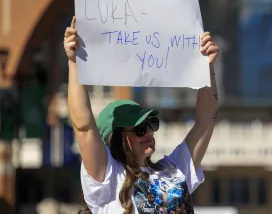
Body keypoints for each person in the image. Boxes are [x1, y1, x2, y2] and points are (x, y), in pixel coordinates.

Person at [64, 16, 219, 214]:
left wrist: (208, 69)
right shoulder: (108, 177)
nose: (148, 133)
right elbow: (84, 127)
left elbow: (205, 122)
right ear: (117, 137)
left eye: (150, 124)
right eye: (139, 128)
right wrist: (74, 63)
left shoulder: (174, 170)